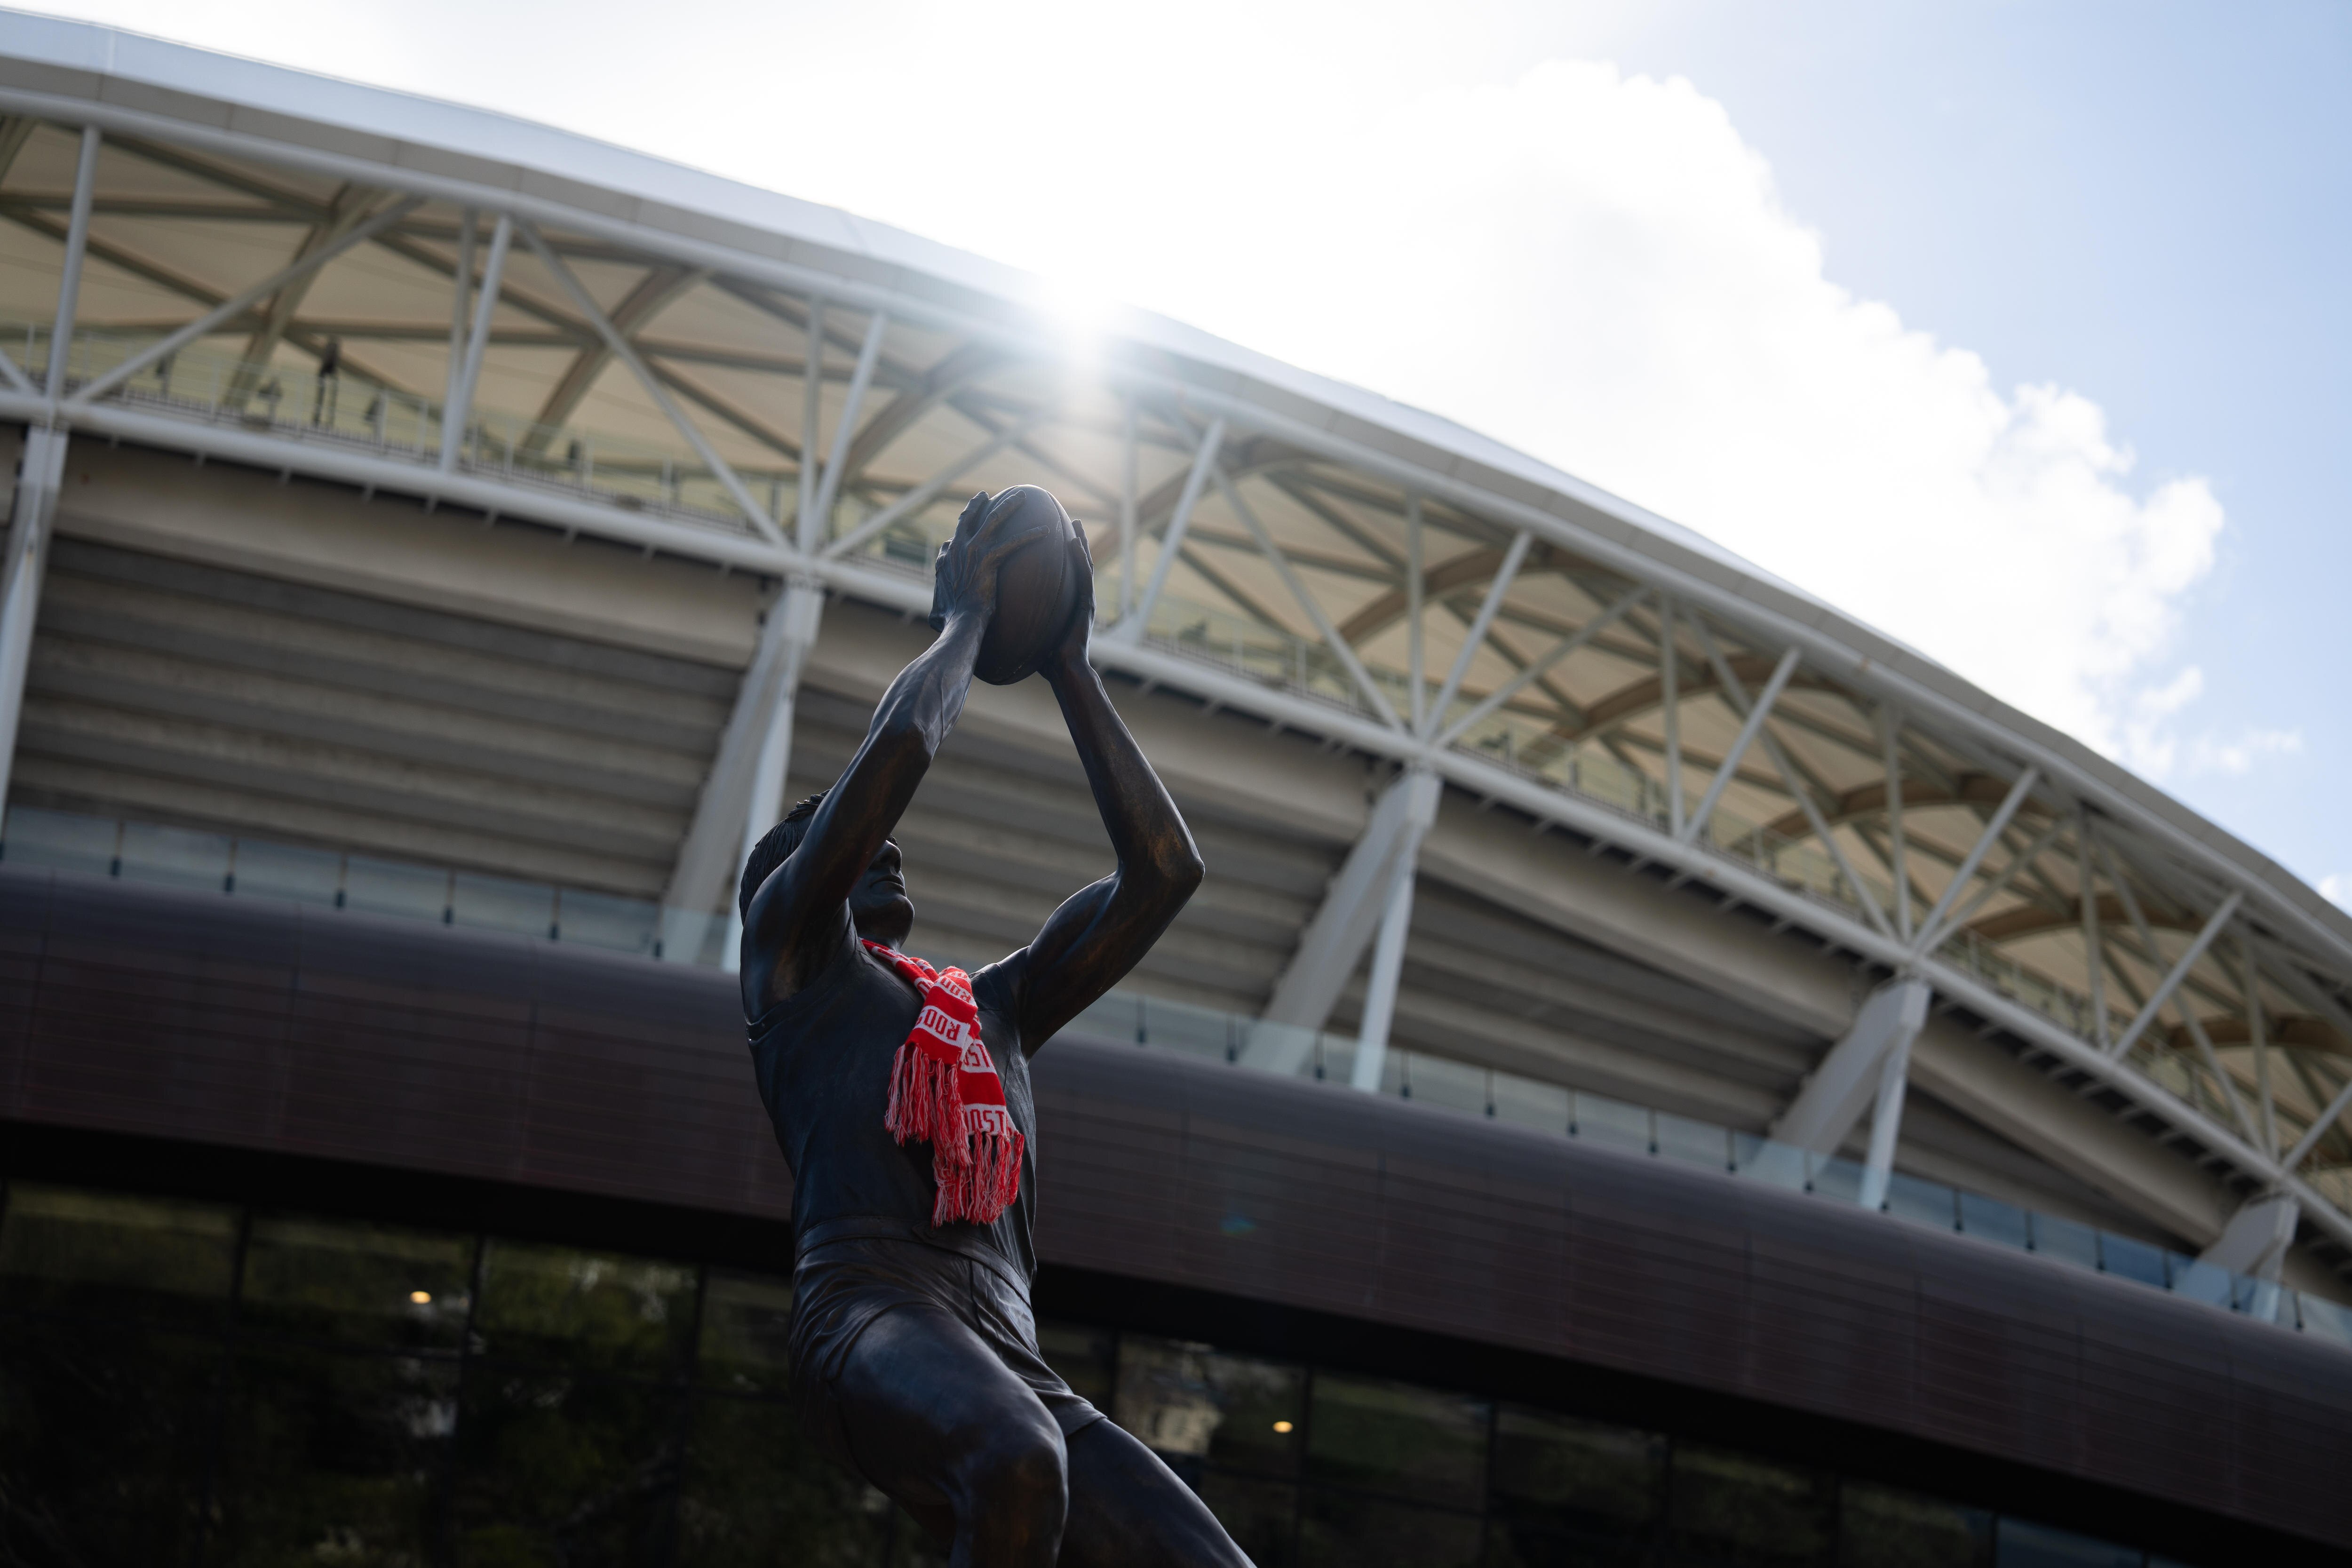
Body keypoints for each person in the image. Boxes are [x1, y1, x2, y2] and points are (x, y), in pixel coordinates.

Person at [737, 487, 1248, 1567]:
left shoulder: (992, 1014)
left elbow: (1165, 872)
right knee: (1016, 1456)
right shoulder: (795, 967)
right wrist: (964, 622)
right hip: (869, 1315)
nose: (875, 839)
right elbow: (895, 759)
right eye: (825, 828)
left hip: (1006, 1348)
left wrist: (1070, 665)